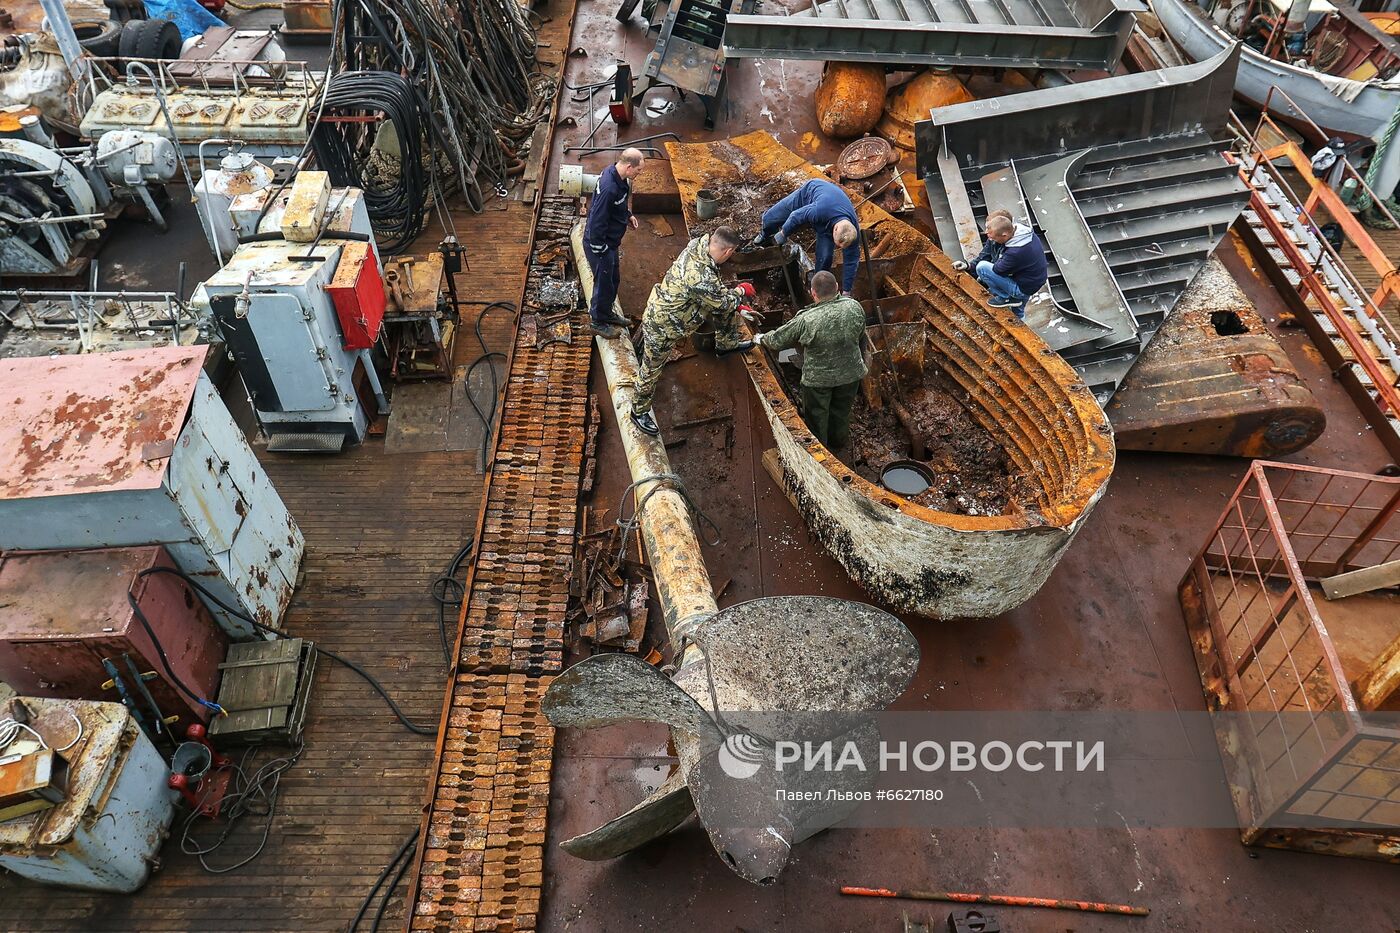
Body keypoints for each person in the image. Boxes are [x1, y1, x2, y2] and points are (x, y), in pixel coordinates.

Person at [629, 226, 757, 436]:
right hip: (664, 325)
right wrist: (741, 291)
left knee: (726, 305)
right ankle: (638, 411)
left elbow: (716, 292)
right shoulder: (701, 276)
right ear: (729, 252)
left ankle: (725, 344)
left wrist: (734, 301)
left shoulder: (698, 245)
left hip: (680, 307)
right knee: (651, 369)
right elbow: (721, 301)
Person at [753, 270, 867, 450]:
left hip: (818, 380)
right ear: (837, 287)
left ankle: (820, 449)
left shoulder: (806, 319)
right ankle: (838, 443)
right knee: (842, 411)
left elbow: (777, 341)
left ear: (813, 293)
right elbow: (861, 335)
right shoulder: (854, 307)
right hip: (851, 374)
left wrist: (759, 338)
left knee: (817, 414)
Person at [752, 178, 861, 295]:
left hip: (828, 221)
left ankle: (818, 288)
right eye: (836, 243)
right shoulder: (820, 210)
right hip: (809, 193)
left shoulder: (851, 233)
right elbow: (795, 216)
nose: (835, 246)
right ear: (835, 230)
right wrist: (783, 233)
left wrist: (847, 290)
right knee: (771, 217)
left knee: (825, 258)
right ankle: (764, 235)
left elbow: (851, 260)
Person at [583, 148, 645, 336]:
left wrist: (628, 215)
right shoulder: (609, 187)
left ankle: (607, 313)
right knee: (603, 283)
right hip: (601, 245)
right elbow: (596, 221)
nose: (639, 174)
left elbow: (618, 205)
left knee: (613, 280)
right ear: (628, 167)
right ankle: (598, 322)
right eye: (638, 170)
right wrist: (600, 250)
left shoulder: (619, 177)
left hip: (611, 243)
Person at [953, 213, 1047, 319]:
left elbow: (998, 270)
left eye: (993, 238)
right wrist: (968, 266)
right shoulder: (1022, 234)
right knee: (1018, 310)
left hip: (1023, 288)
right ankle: (1016, 307)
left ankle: (1007, 298)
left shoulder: (1015, 252)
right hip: (1031, 282)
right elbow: (986, 255)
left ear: (1004, 235)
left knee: (982, 268)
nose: (990, 239)